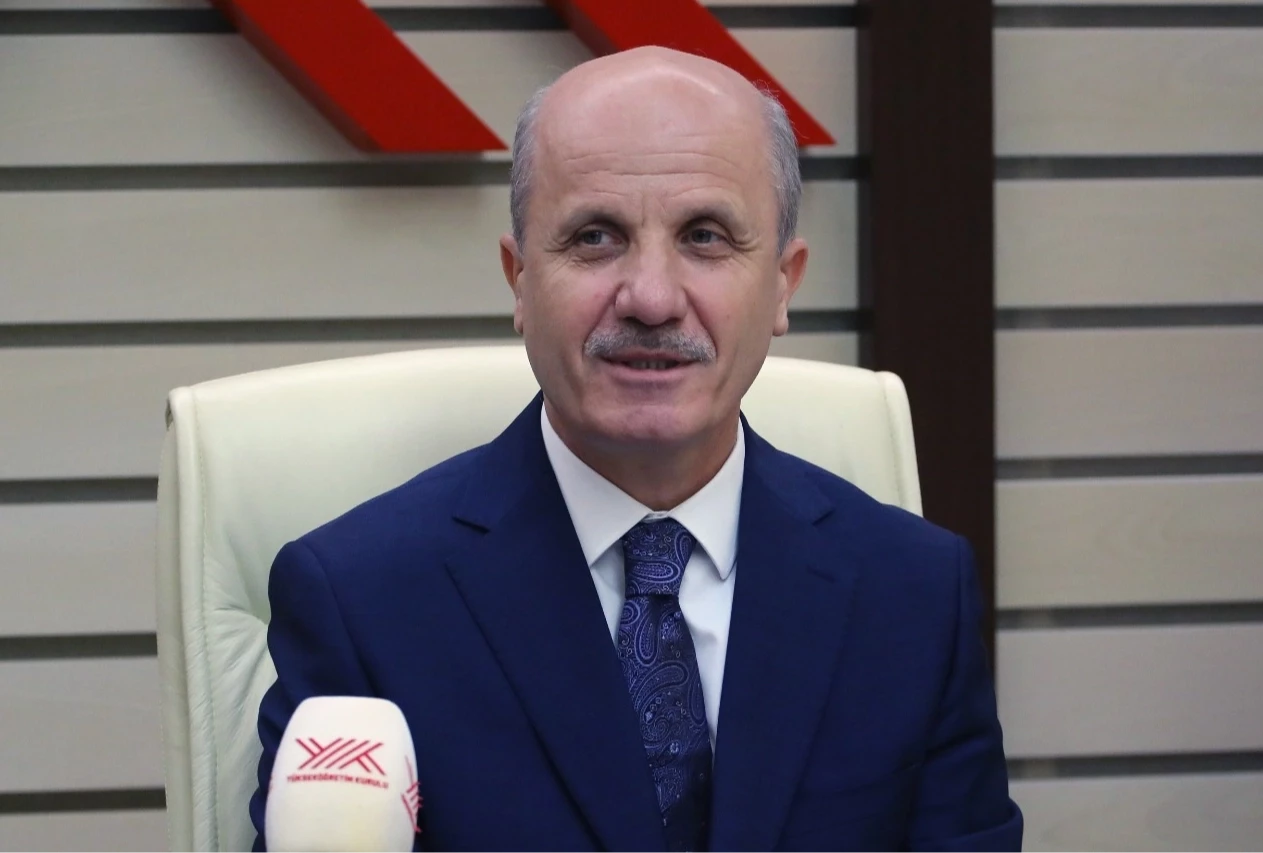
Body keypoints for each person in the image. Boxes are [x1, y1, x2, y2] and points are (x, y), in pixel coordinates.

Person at [250, 46, 1022, 853]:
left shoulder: (912, 594)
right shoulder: (360, 601)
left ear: (782, 284)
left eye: (705, 236)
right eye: (595, 237)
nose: (651, 298)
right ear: (519, 280)